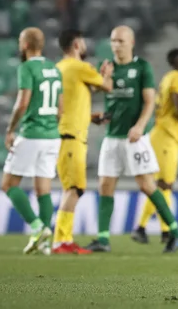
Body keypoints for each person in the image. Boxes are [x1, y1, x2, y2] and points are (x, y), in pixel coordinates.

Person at [85, 26, 178, 253]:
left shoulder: (142, 68)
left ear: (131, 42)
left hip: (134, 138)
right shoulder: (108, 67)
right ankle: (102, 239)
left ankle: (176, 231)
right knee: (105, 186)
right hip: (112, 136)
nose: (115, 45)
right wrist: (104, 82)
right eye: (113, 41)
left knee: (147, 185)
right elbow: (103, 93)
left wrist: (140, 126)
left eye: (120, 41)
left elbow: (149, 101)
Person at [52, 29, 114, 255]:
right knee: (74, 189)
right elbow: (106, 87)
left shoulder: (59, 68)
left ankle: (62, 239)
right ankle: (62, 241)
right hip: (72, 137)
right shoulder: (79, 67)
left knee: (71, 188)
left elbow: (68, 104)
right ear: (77, 43)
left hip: (63, 134)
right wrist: (106, 73)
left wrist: (90, 117)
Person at [2, 27, 63, 255]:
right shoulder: (53, 68)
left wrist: (10, 129)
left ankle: (37, 227)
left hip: (31, 134)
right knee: (43, 190)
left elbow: (22, 102)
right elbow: (61, 108)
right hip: (52, 136)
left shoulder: (27, 68)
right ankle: (45, 243)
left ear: (25, 45)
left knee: (8, 184)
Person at [132, 48, 178, 244]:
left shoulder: (167, 77)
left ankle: (156, 229)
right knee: (164, 184)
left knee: (161, 185)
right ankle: (151, 229)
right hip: (166, 135)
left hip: (162, 134)